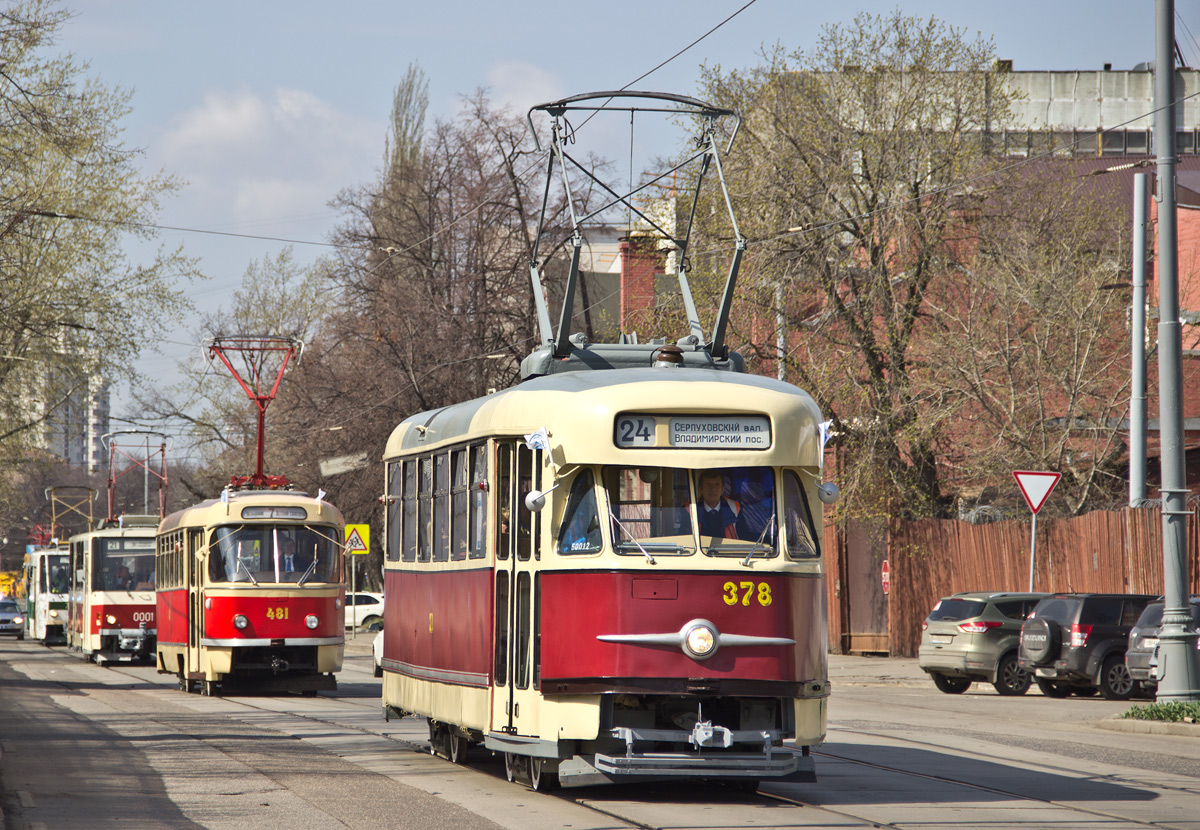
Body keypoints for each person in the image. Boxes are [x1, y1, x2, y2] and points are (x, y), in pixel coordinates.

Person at [694, 470, 752, 540]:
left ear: (723, 489)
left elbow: (745, 537)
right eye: (708, 485)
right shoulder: (690, 508)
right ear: (700, 489)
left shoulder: (735, 508)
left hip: (728, 550)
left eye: (717, 485)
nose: (713, 489)